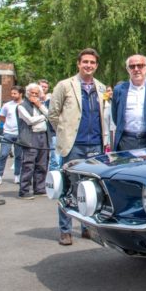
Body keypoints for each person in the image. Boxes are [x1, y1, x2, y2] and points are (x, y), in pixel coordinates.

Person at [48, 48, 109, 246]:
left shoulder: (101, 88)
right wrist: (65, 133)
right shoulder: (65, 85)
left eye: (92, 62)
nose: (88, 65)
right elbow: (53, 114)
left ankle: (87, 228)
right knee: (69, 188)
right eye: (85, 62)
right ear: (78, 64)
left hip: (96, 145)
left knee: (92, 190)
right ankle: (65, 230)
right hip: (73, 146)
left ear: (96, 65)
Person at [17, 83, 50, 199]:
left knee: (42, 164)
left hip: (43, 136)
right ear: (27, 93)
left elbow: (49, 115)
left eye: (37, 93)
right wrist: (43, 117)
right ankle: (24, 191)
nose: (35, 95)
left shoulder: (40, 105)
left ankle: (39, 189)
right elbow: (30, 120)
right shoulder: (21, 106)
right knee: (28, 164)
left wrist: (40, 106)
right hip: (30, 137)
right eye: (32, 93)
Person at [0, 86, 24, 185]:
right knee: (3, 154)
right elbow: (2, 117)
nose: (13, 95)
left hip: (20, 134)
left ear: (20, 94)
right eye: (12, 93)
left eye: (15, 93)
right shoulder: (7, 105)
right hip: (8, 133)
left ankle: (17, 175)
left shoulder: (24, 104)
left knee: (19, 156)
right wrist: (8, 124)